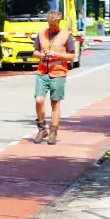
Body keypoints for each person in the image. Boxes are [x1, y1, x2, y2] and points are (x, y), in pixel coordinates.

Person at [31, 10, 76, 145]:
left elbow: (71, 56)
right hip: (42, 72)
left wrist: (56, 54)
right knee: (39, 100)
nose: (51, 27)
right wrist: (42, 55)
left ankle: (53, 132)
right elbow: (35, 52)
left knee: (55, 103)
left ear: (59, 22)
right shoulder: (41, 34)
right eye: (50, 25)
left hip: (58, 73)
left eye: (54, 25)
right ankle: (41, 128)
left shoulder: (67, 36)